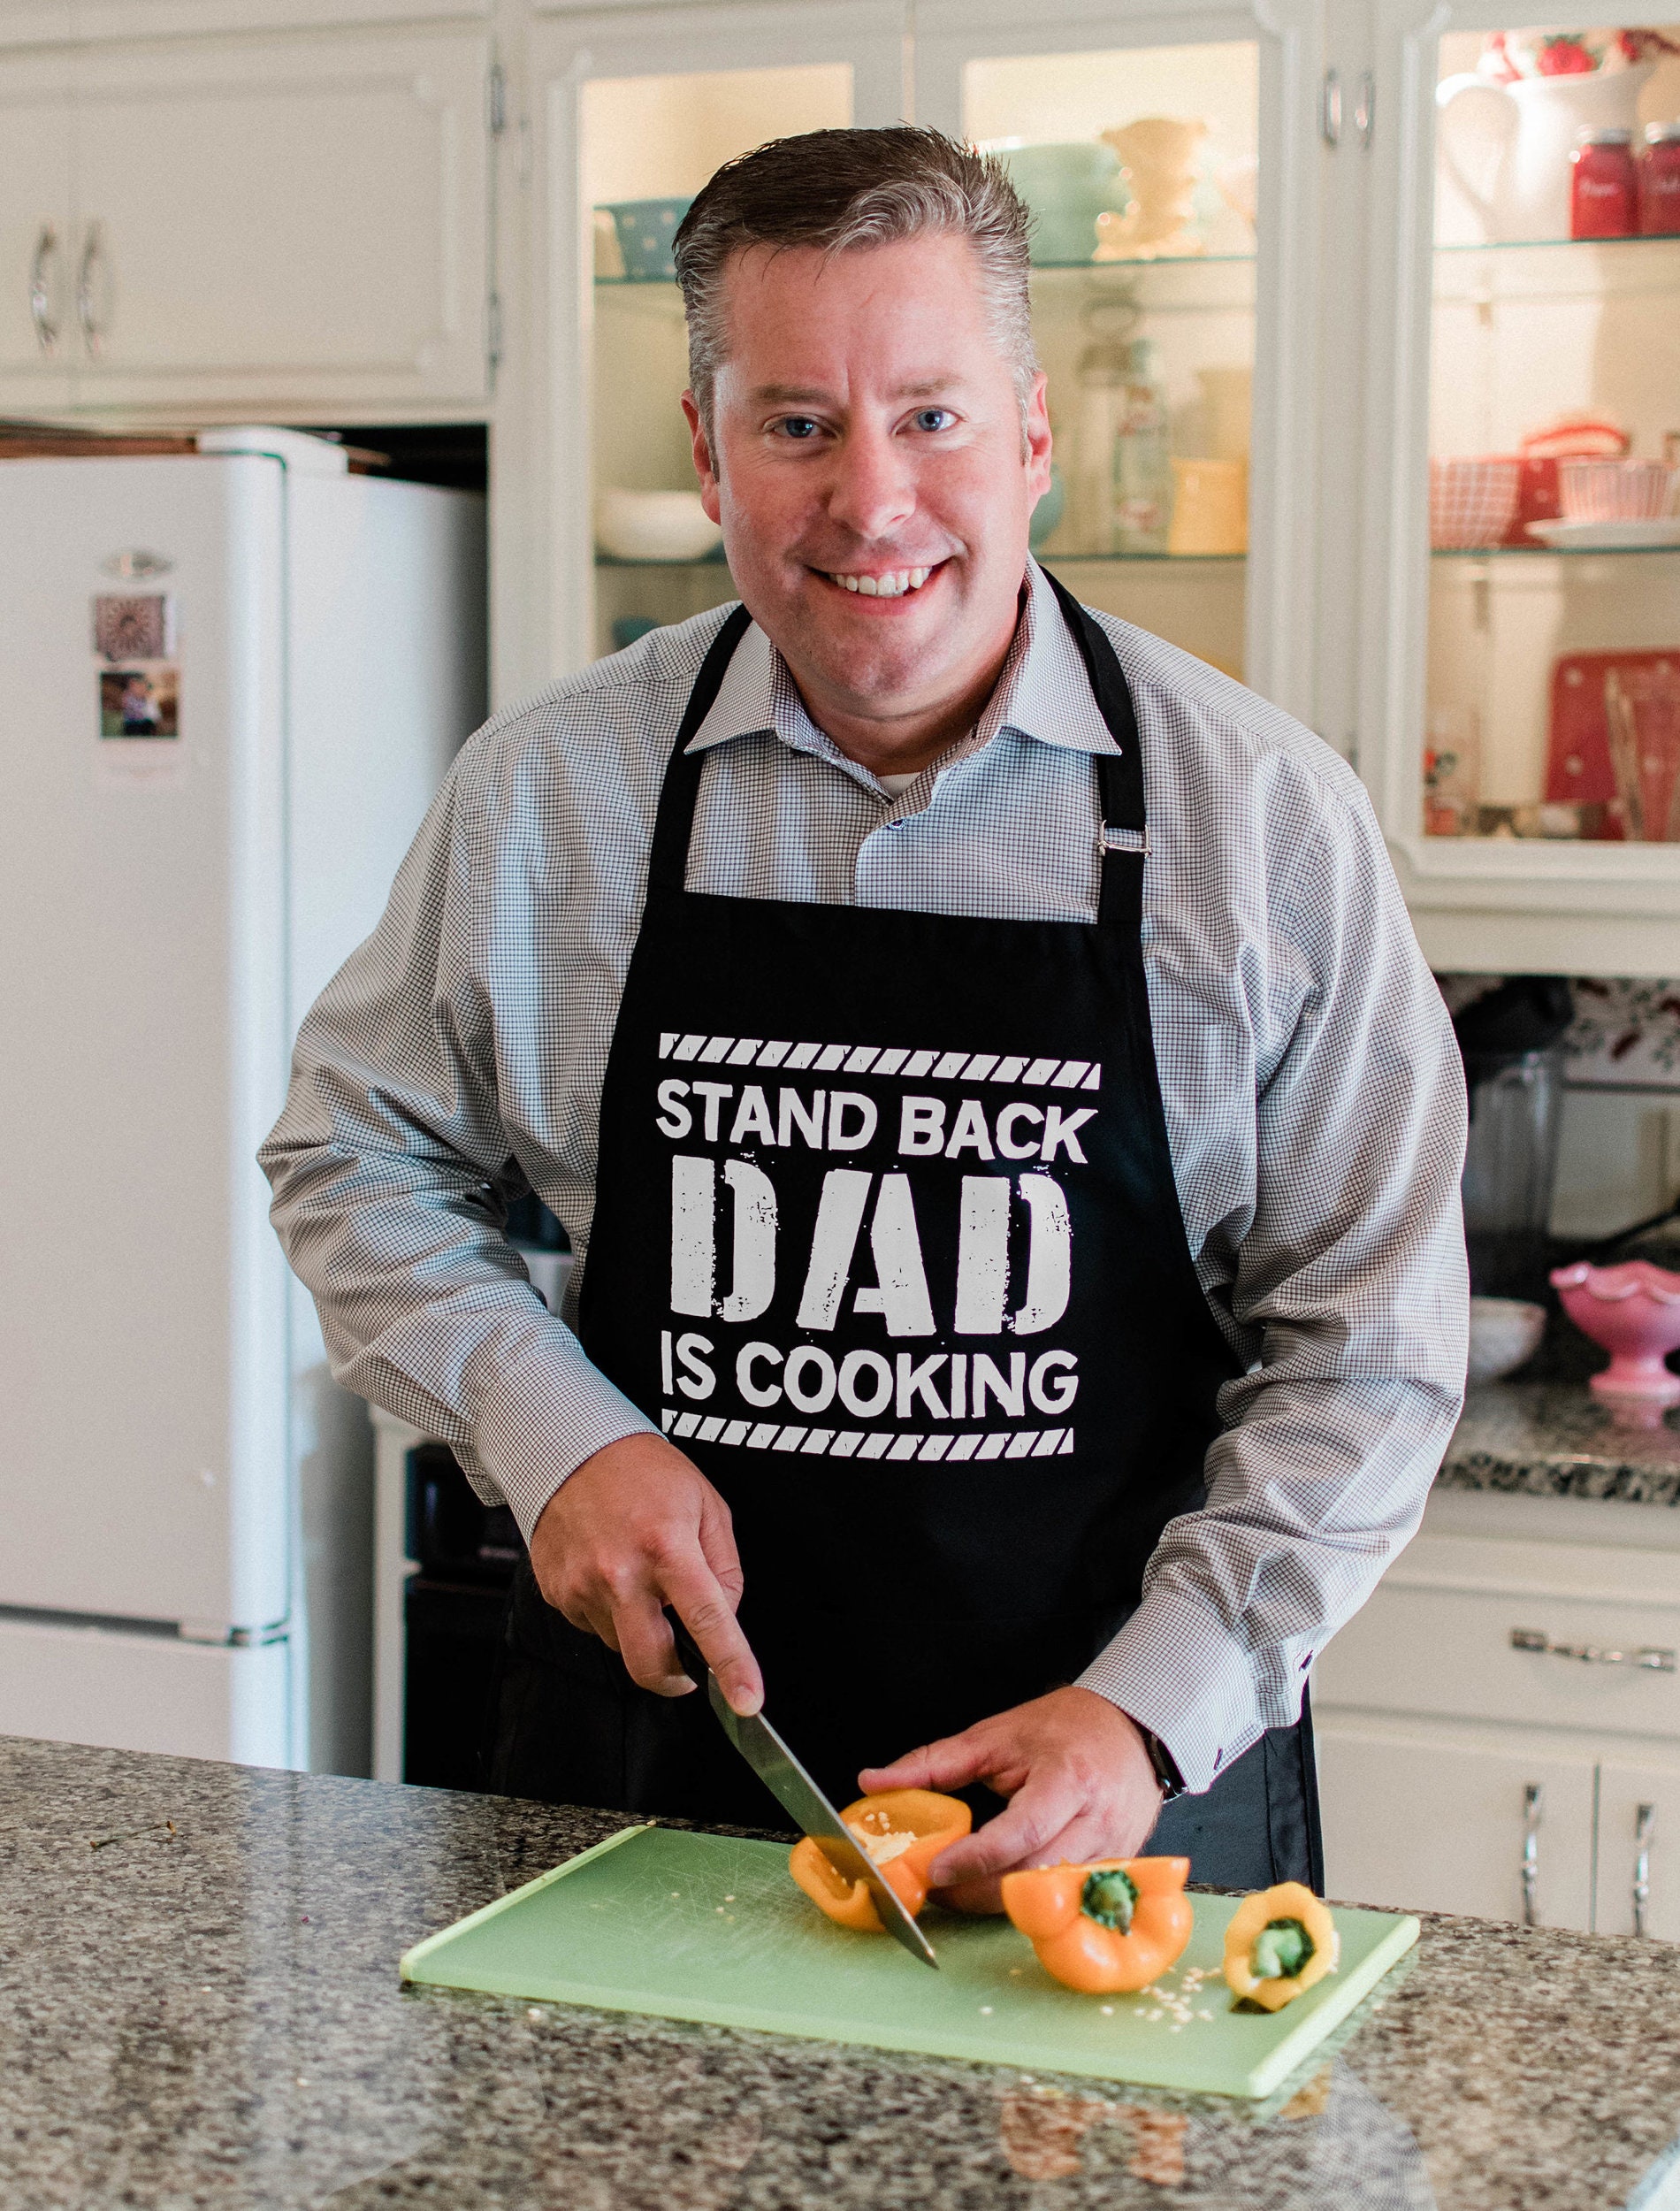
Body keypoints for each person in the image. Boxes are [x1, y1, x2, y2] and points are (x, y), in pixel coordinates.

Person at [260, 127, 1467, 1907]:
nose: (870, 500)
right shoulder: (549, 795)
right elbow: (349, 1155)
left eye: (931, 415)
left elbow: (1365, 1346)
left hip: (1115, 1815)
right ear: (707, 448)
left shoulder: (1264, 829)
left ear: (1035, 435)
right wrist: (553, 1429)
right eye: (797, 423)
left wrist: (1146, 1710)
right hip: (651, 1785)